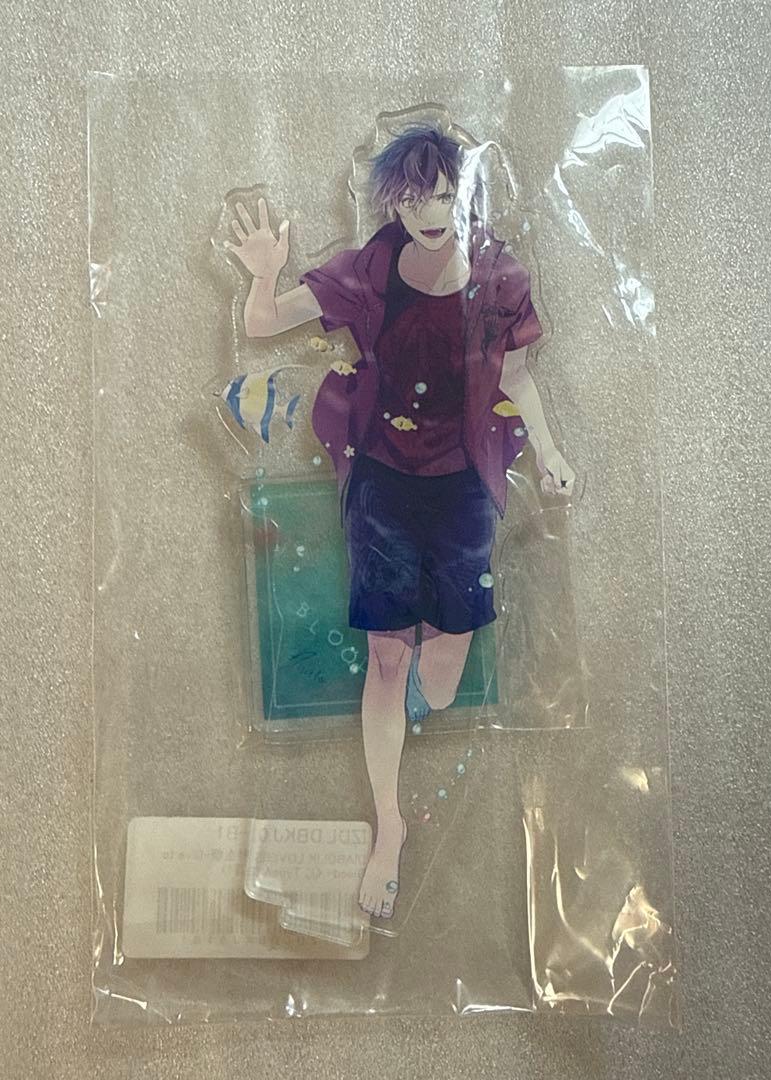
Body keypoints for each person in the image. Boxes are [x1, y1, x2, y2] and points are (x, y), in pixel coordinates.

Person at [224, 122, 574, 920]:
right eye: (414, 198)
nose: (430, 212)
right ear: (393, 201)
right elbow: (263, 324)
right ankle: (389, 827)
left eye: (444, 195)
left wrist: (550, 451)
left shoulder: (498, 277)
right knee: (388, 656)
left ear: (463, 195)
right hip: (382, 479)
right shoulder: (371, 269)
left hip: (464, 485)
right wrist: (264, 274)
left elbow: (518, 375)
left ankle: (428, 685)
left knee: (442, 677)